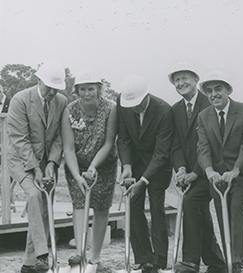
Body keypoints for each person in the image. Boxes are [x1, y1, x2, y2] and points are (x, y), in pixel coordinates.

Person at [7, 62, 68, 273]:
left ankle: (29, 264)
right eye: (48, 87)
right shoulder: (20, 100)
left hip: (47, 162)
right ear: (38, 80)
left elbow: (60, 137)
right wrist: (36, 169)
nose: (52, 92)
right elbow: (20, 139)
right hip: (20, 159)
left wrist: (51, 163)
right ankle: (43, 255)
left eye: (56, 88)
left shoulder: (61, 102)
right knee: (33, 195)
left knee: (44, 208)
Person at [197, 71, 243, 273]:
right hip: (217, 178)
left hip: (242, 174)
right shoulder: (204, 116)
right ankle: (229, 262)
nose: (214, 94)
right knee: (222, 215)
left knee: (235, 208)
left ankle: (238, 263)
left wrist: (236, 170)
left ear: (228, 90)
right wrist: (208, 171)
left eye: (218, 89)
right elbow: (203, 147)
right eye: (209, 91)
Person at [168, 62, 226, 273]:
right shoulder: (174, 110)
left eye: (185, 78)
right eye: (177, 80)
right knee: (197, 208)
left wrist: (195, 172)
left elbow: (212, 144)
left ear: (196, 80)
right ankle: (217, 263)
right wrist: (181, 169)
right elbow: (175, 145)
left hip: (211, 171)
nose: (181, 83)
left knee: (192, 203)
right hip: (190, 173)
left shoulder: (210, 103)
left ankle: (191, 261)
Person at [61, 68, 118, 272]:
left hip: (103, 164)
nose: (87, 93)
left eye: (91, 89)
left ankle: (95, 257)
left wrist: (94, 166)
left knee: (101, 207)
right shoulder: (70, 110)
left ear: (98, 89)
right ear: (77, 90)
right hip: (77, 164)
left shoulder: (110, 108)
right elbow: (68, 147)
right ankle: (81, 254)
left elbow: (108, 143)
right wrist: (77, 176)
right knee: (79, 205)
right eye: (83, 89)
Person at [116, 75, 174, 273]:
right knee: (132, 207)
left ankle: (159, 260)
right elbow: (122, 137)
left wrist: (144, 180)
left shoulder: (164, 110)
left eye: (139, 104)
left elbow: (161, 152)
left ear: (146, 95)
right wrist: (126, 165)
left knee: (157, 209)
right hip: (135, 164)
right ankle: (143, 259)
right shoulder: (122, 103)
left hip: (158, 166)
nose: (135, 108)